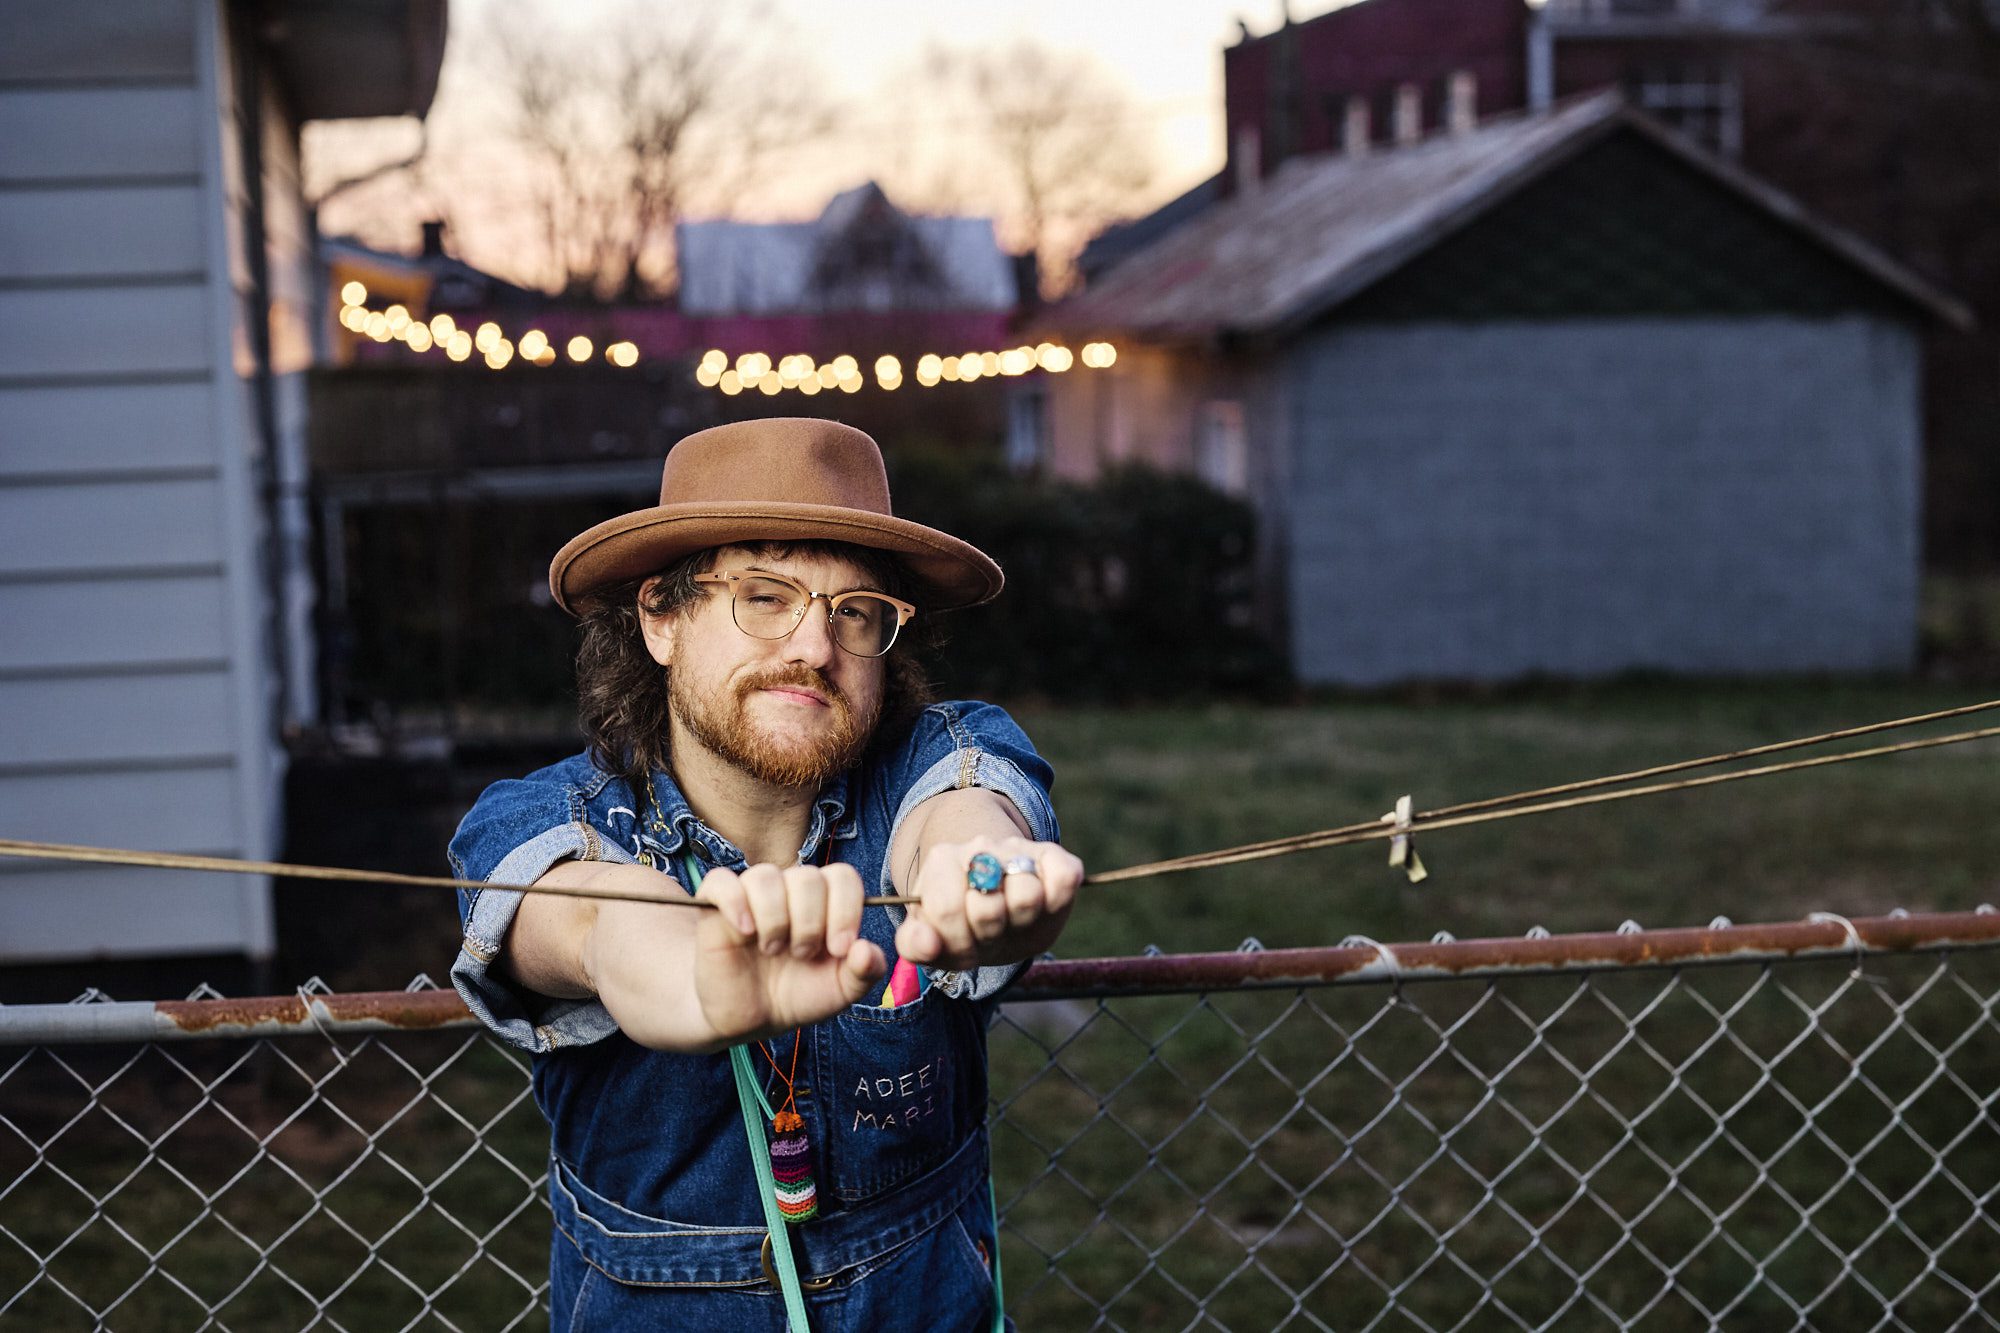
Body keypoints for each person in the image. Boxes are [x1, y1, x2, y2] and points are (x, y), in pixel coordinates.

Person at [447, 418, 1082, 1332]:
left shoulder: (935, 756)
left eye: (854, 611)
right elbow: (596, 919)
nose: (814, 648)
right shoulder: (547, 820)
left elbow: (964, 807)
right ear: (661, 617)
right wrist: (696, 974)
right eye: (764, 595)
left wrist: (983, 877)